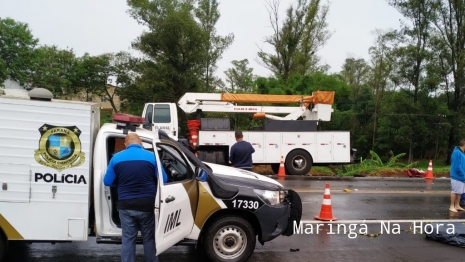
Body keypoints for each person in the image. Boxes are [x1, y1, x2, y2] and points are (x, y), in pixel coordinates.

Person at [103, 133, 168, 262]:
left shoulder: (116, 158)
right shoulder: (151, 157)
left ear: (125, 144)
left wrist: (120, 182)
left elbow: (107, 181)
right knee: (148, 238)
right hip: (147, 205)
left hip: (126, 205)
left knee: (128, 239)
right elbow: (164, 179)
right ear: (141, 144)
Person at [449, 139, 465, 212]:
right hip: (457, 176)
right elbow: (457, 166)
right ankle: (452, 206)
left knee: (459, 192)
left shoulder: (462, 153)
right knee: (455, 191)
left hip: (461, 177)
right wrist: (463, 174)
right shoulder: (456, 152)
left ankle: (457, 205)